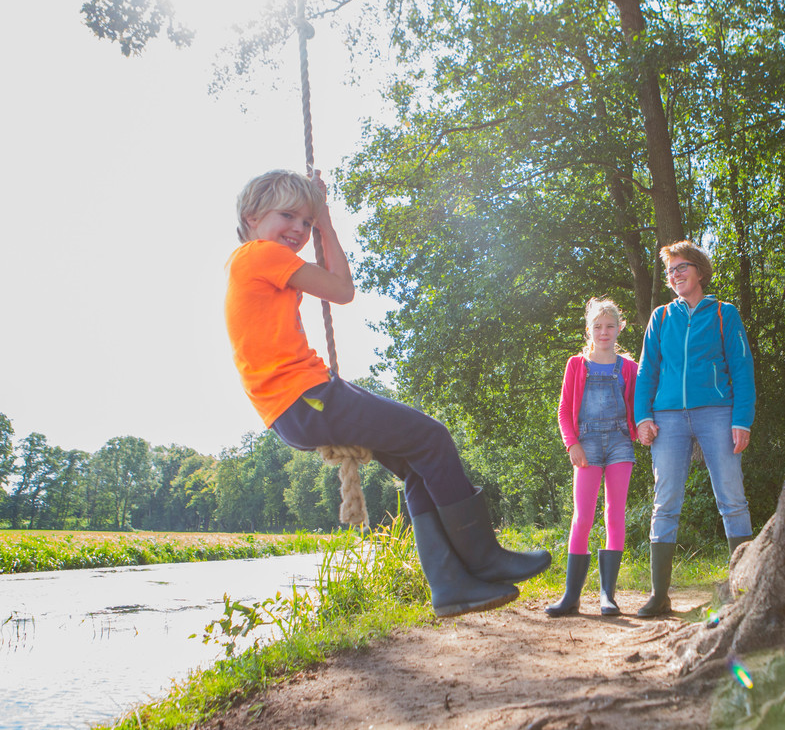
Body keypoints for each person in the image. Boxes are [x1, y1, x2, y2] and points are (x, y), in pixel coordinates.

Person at [225, 169, 550, 618]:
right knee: (432, 437)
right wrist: (326, 222)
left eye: (305, 221)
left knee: (421, 462)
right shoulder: (258, 255)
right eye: (289, 216)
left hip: (298, 405)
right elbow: (342, 290)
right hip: (305, 397)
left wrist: (319, 219)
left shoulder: (253, 263)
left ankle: (451, 586)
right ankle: (484, 557)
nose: (299, 229)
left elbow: (336, 290)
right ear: (251, 216)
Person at [633, 240, 756, 617]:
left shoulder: (723, 313)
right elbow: (646, 371)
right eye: (670, 271)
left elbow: (742, 367)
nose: (675, 275)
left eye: (681, 267)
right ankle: (659, 596)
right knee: (665, 502)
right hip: (667, 416)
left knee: (731, 499)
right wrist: (643, 417)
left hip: (717, 412)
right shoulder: (661, 318)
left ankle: (745, 590)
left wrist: (742, 419)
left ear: (699, 270)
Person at [547, 298, 638, 617]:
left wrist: (642, 431)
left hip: (619, 445)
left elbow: (639, 407)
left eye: (610, 326)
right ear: (589, 330)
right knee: (582, 517)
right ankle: (571, 595)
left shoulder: (629, 367)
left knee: (614, 514)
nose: (604, 332)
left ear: (619, 329)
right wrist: (571, 443)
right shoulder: (576, 365)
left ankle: (607, 595)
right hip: (585, 445)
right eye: (598, 326)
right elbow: (563, 411)